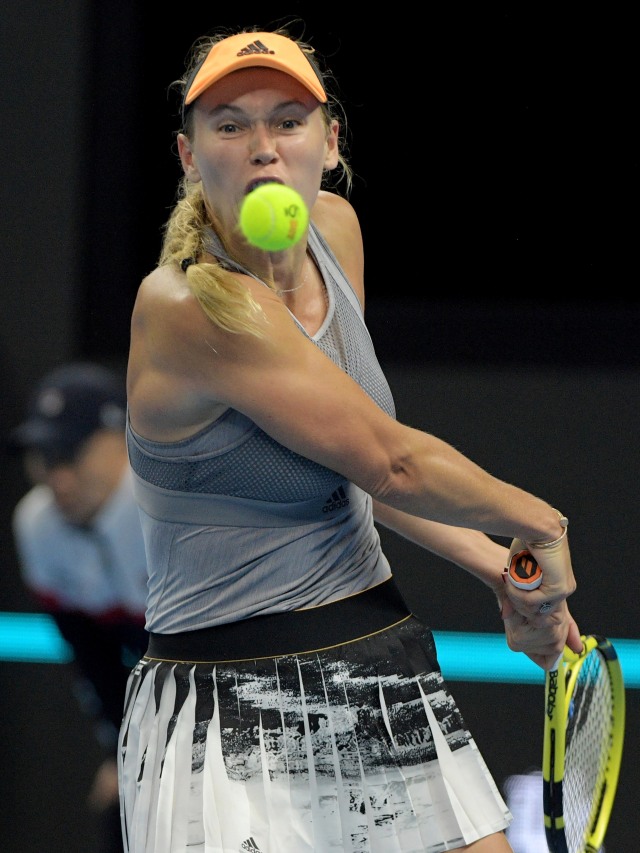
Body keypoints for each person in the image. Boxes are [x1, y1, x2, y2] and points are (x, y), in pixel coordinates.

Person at [120, 23, 582, 853]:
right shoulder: (187, 305)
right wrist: (539, 526)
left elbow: (351, 469)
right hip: (225, 715)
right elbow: (392, 458)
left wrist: (504, 572)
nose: (262, 145)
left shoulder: (334, 231)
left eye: (286, 120)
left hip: (376, 660)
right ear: (189, 156)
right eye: (229, 124)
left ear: (329, 143)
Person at [9, 362, 149, 853]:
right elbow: (92, 662)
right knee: (123, 813)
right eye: (43, 456)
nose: (56, 475)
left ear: (120, 441)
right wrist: (122, 750)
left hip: (247, 681)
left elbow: (216, 651)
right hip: (151, 695)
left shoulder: (171, 512)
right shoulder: (36, 527)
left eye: (70, 452)